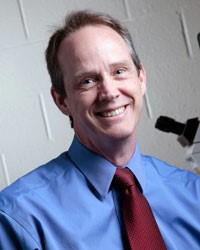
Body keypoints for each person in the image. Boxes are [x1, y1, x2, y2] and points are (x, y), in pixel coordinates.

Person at [0, 10, 199, 250]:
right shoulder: (19, 218)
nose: (109, 92)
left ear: (141, 78)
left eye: (119, 71)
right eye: (87, 81)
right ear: (62, 100)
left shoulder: (192, 194)